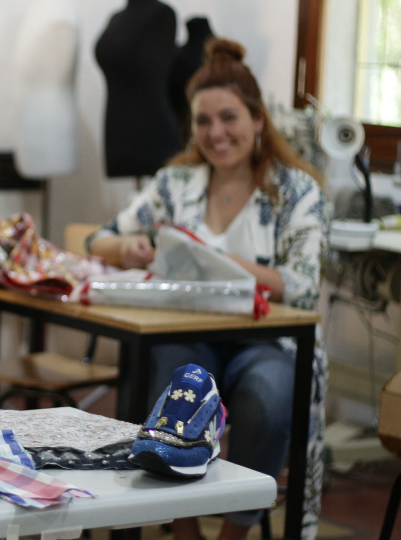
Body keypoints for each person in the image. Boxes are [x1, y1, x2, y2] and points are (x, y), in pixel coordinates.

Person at [88, 39, 328, 540]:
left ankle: (235, 531)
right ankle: (185, 524)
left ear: (258, 119)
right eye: (203, 122)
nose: (216, 133)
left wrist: (215, 261)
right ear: (191, 126)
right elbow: (99, 238)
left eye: (229, 118)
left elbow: (302, 288)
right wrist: (128, 245)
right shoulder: (176, 183)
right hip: (190, 331)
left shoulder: (297, 190)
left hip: (267, 340)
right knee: (171, 377)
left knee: (266, 397)